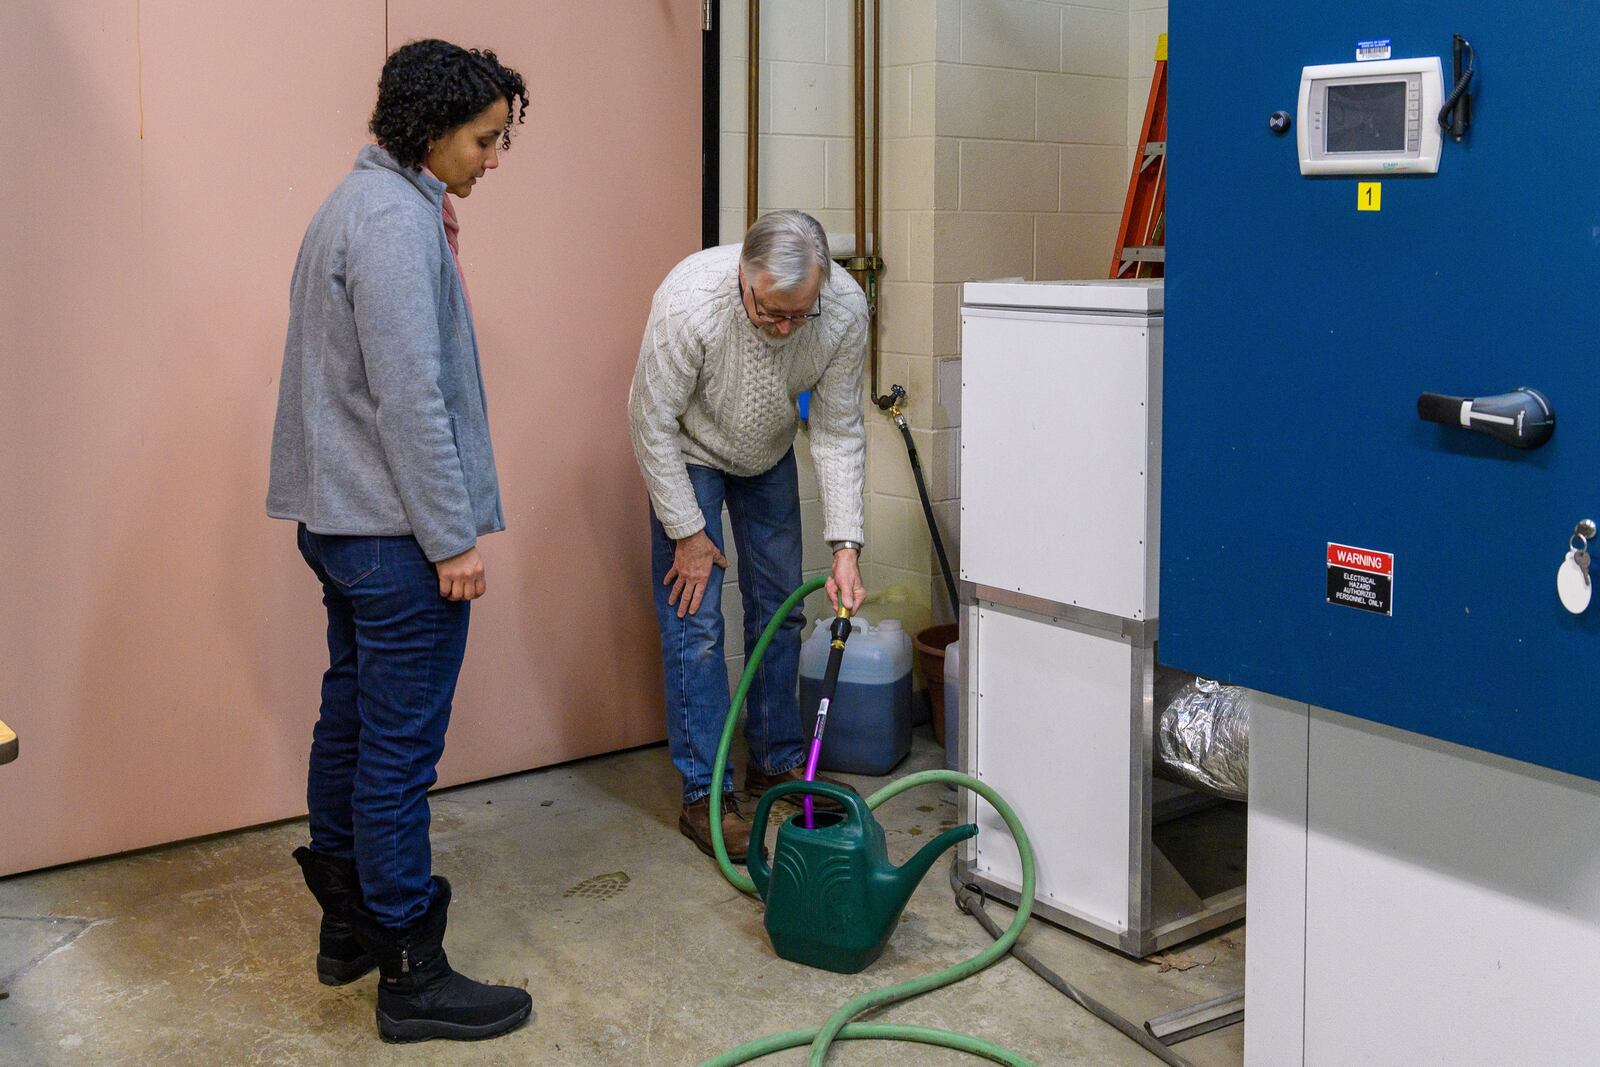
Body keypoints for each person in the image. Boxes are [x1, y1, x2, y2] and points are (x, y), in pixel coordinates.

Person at [266, 38, 532, 1044]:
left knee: (352, 722)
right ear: (430, 129)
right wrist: (451, 536)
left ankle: (347, 928)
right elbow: (409, 398)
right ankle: (411, 970)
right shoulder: (388, 221)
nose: (491, 159)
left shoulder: (360, 202)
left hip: (345, 524)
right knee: (396, 751)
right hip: (391, 532)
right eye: (483, 139)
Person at [627, 210, 869, 863]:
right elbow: (648, 424)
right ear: (744, 277)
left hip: (766, 453)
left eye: (801, 313)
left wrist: (846, 544)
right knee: (697, 623)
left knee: (781, 612)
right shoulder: (690, 303)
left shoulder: (843, 309)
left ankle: (776, 763)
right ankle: (706, 795)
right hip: (689, 454)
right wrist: (686, 529)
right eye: (772, 313)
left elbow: (840, 429)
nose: (786, 329)